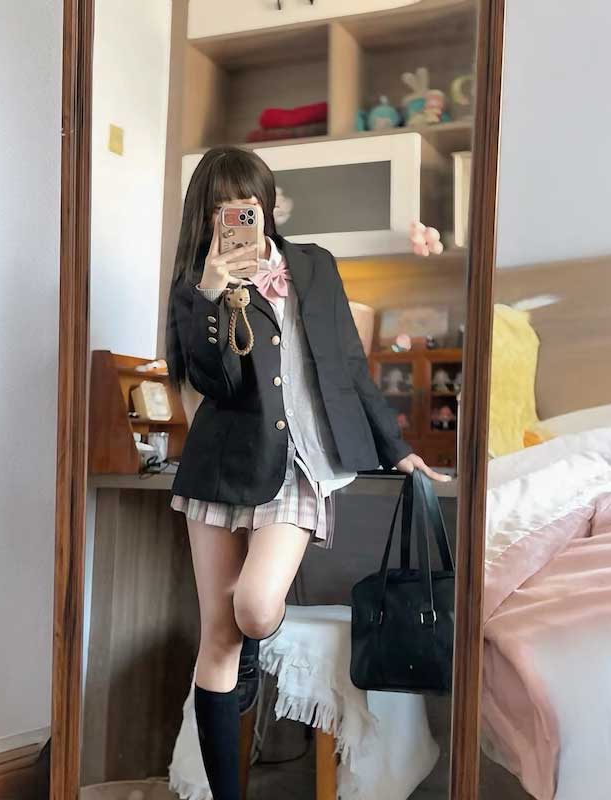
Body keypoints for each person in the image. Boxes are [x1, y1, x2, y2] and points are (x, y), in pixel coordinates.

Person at [165, 145, 449, 799]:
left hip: (299, 467)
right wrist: (214, 295)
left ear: (267, 206)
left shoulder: (314, 266)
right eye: (221, 208)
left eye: (247, 203)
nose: (237, 216)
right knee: (217, 637)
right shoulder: (194, 288)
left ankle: (253, 646)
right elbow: (216, 382)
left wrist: (395, 446)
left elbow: (349, 364)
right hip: (219, 466)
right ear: (204, 217)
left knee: (253, 609)